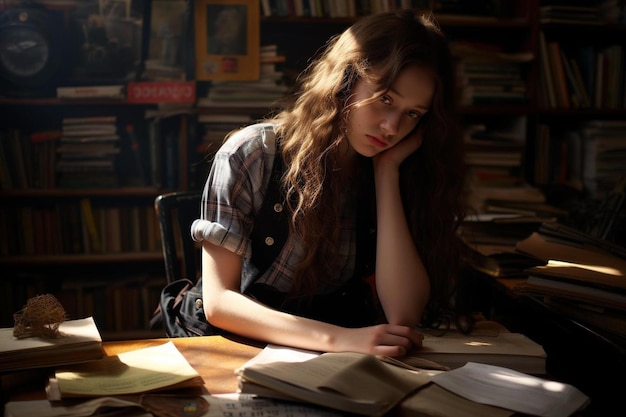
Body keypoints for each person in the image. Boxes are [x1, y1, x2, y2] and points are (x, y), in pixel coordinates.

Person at [191, 9, 467, 358]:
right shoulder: (254, 153)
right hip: (240, 347)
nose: (392, 128)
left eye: (413, 113)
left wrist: (387, 173)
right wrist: (341, 340)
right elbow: (220, 303)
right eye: (385, 98)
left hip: (327, 356)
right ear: (345, 81)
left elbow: (403, 314)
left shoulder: (394, 167)